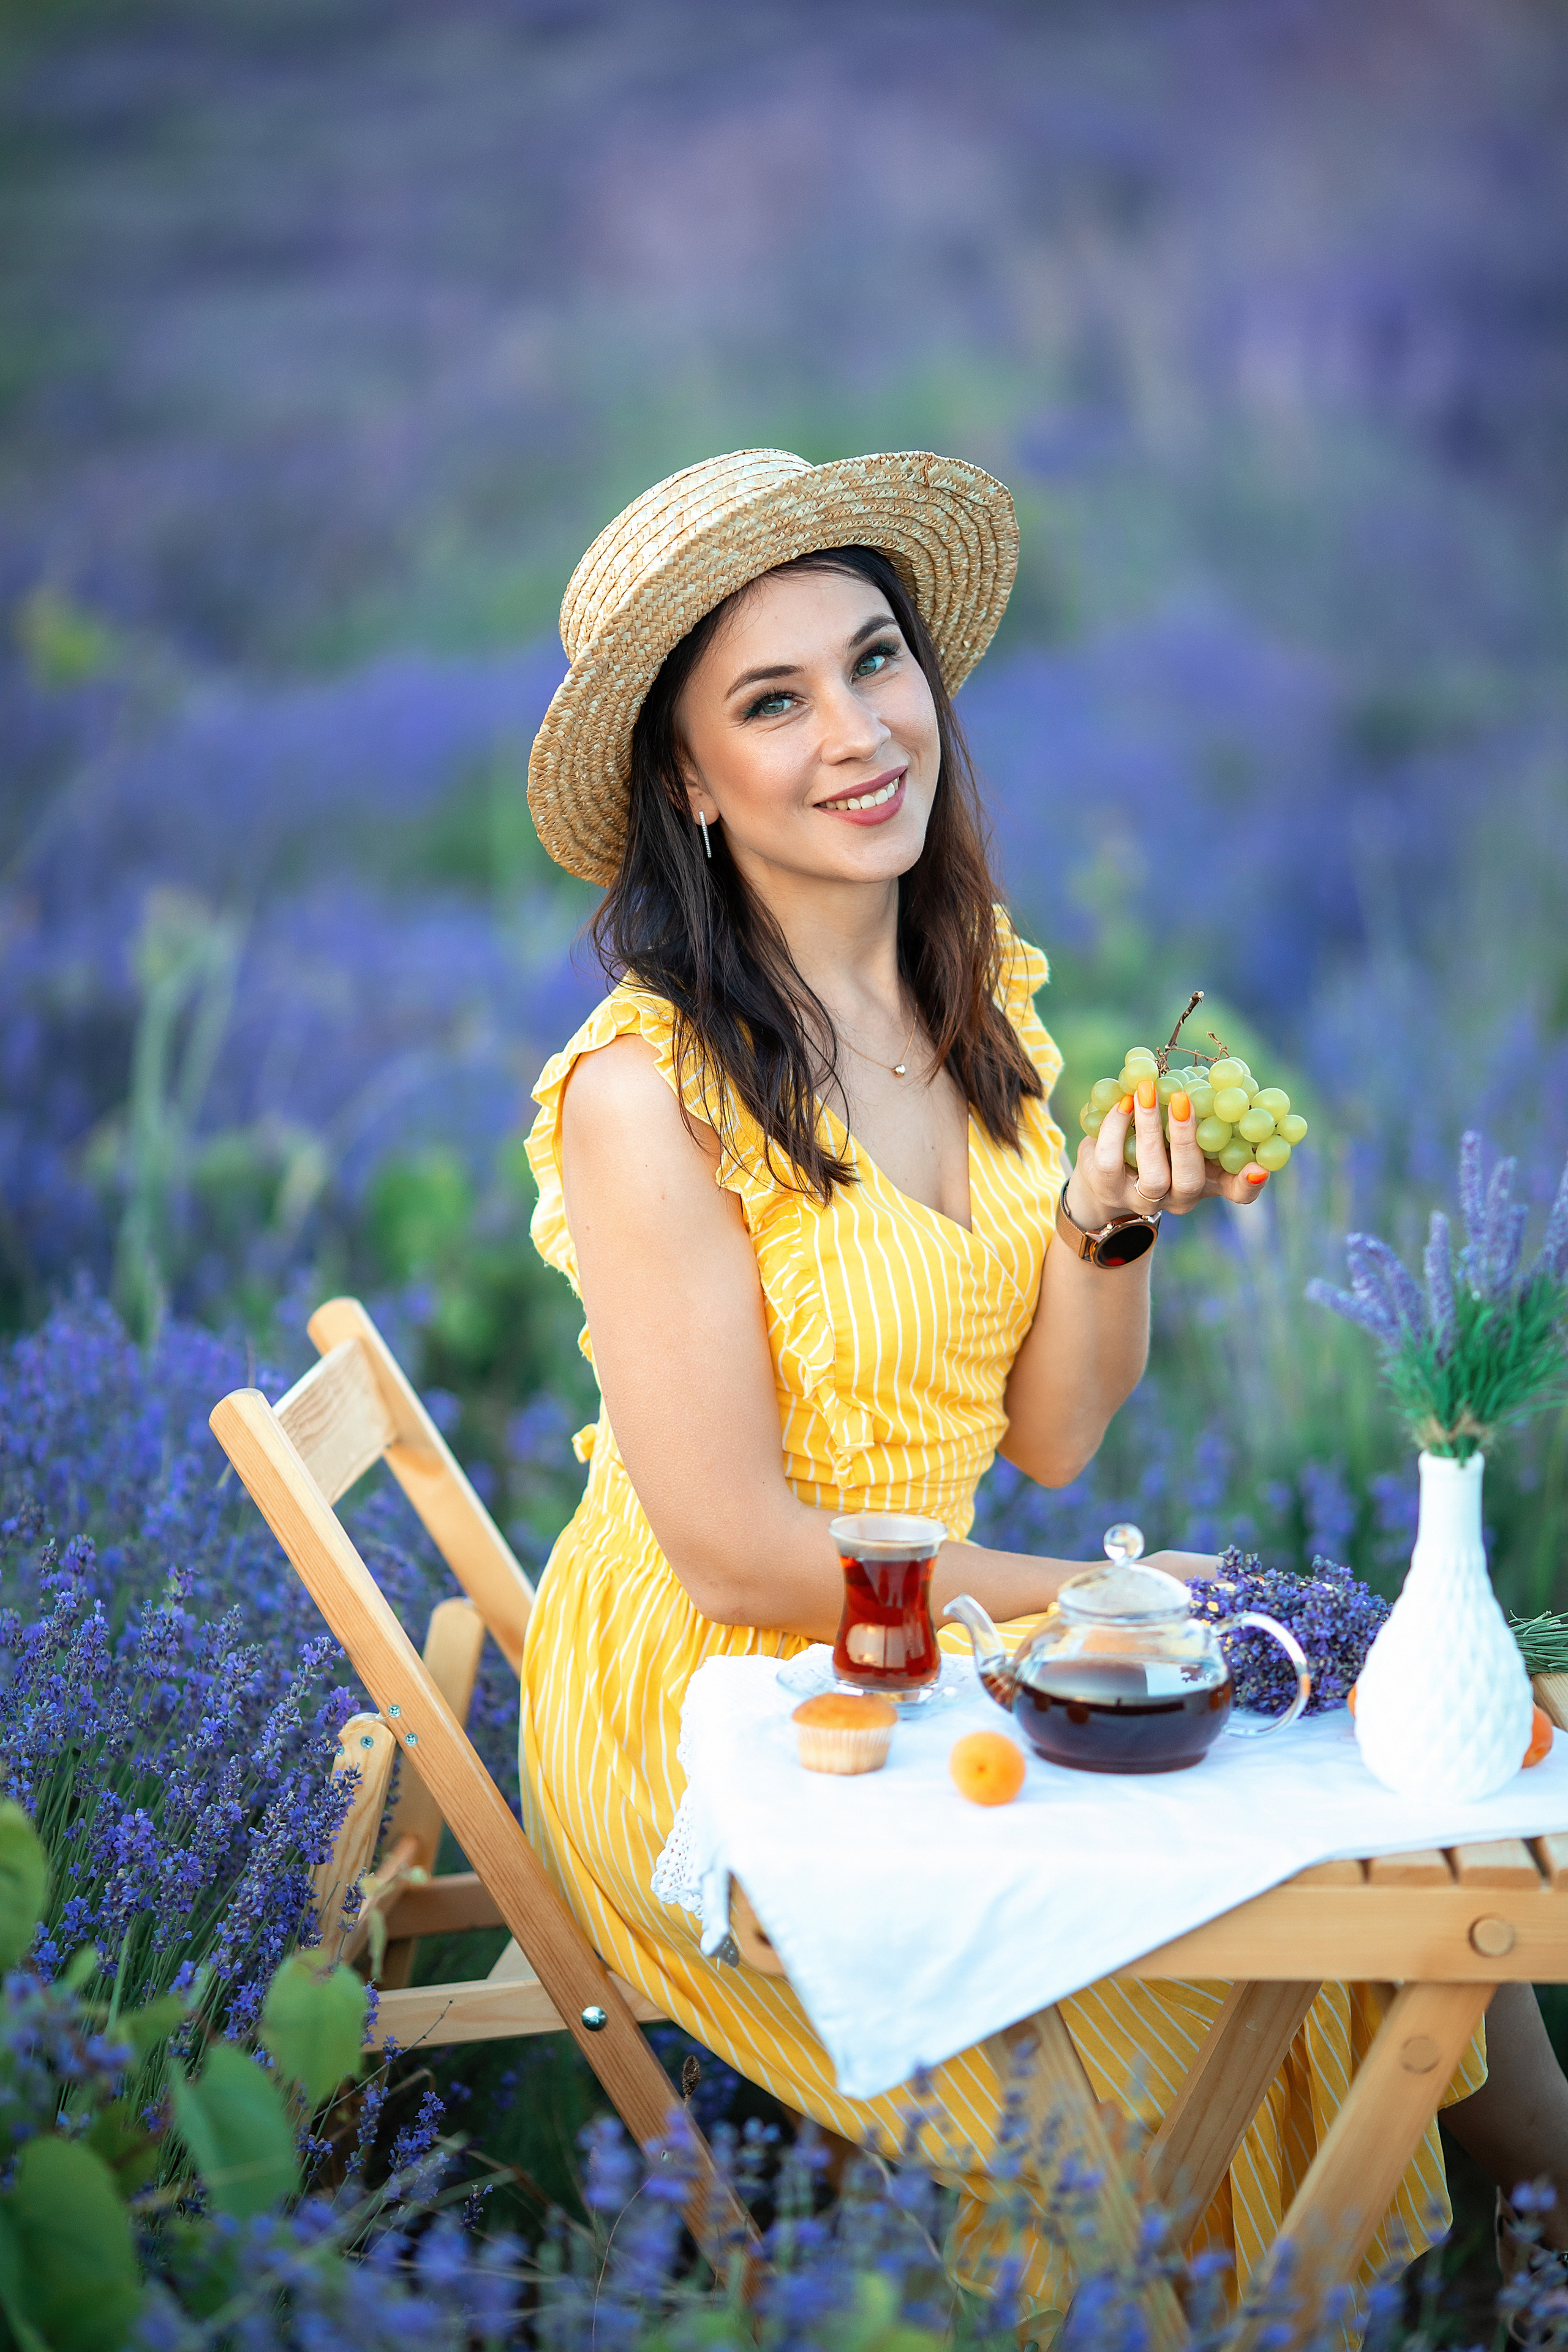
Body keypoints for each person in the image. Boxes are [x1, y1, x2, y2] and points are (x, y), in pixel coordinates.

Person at [518, 448, 1567, 2332]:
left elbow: (1053, 1438)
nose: (859, 731)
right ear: (687, 778)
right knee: (1167, 2002)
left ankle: (1533, 2245)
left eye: (874, 662)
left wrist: (1096, 1228)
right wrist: (1111, 1604)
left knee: (1396, 1884)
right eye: (774, 701)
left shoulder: (966, 994)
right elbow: (747, 1559)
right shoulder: (642, 1091)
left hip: (928, 1643)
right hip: (717, 1705)